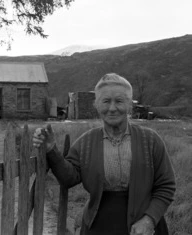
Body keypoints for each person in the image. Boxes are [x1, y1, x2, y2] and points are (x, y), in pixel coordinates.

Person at [33, 73, 176, 235]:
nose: (112, 108)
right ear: (97, 105)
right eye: (106, 101)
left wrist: (149, 220)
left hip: (143, 228)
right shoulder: (86, 142)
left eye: (119, 101)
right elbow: (68, 178)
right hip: (99, 225)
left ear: (129, 105)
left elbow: (166, 186)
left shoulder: (150, 140)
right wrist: (51, 149)